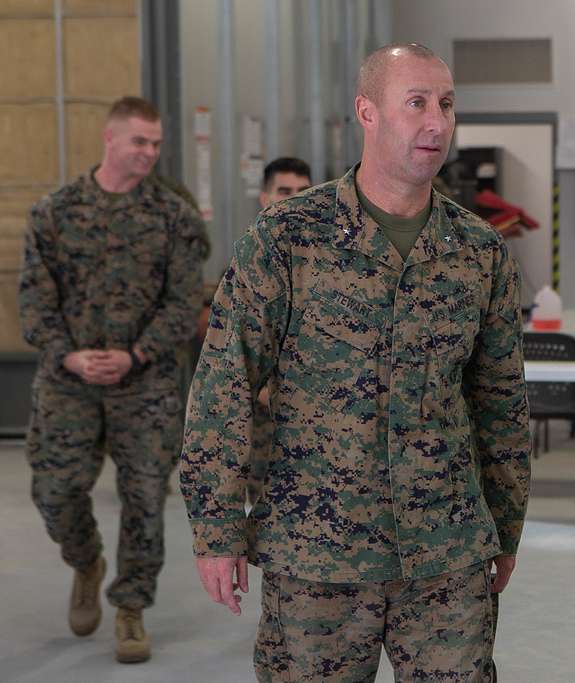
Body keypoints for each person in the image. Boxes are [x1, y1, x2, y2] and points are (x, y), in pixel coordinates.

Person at [180, 43, 531, 682]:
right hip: (317, 556)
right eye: (417, 103)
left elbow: (501, 402)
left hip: (445, 556)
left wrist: (505, 529)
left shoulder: (479, 252)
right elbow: (223, 387)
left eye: (447, 105)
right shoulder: (288, 237)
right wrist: (216, 529)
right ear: (366, 112)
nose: (436, 123)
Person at [18, 95, 206, 664]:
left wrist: (137, 353)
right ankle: (85, 561)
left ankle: (130, 608)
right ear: (111, 139)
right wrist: (67, 355)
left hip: (144, 381)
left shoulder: (174, 217)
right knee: (54, 491)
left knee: (146, 496)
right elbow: (33, 299)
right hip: (68, 378)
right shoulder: (55, 211)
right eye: (140, 142)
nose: (150, 152)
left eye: (156, 143)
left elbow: (184, 302)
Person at [248, 157, 313, 504]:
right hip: (264, 418)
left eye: (303, 191)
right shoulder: (249, 259)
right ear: (265, 198)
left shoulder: (330, 262)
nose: (293, 200)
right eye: (284, 192)